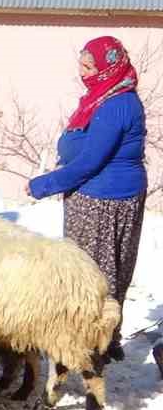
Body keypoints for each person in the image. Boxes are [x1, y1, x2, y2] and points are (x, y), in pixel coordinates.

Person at [29, 35, 149, 355]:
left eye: (89, 66)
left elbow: (91, 161)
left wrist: (43, 185)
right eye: (81, 65)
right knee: (94, 268)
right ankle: (102, 338)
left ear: (107, 67)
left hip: (106, 199)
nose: (83, 72)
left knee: (97, 272)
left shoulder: (117, 104)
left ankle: (98, 340)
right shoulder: (102, 95)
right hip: (95, 193)